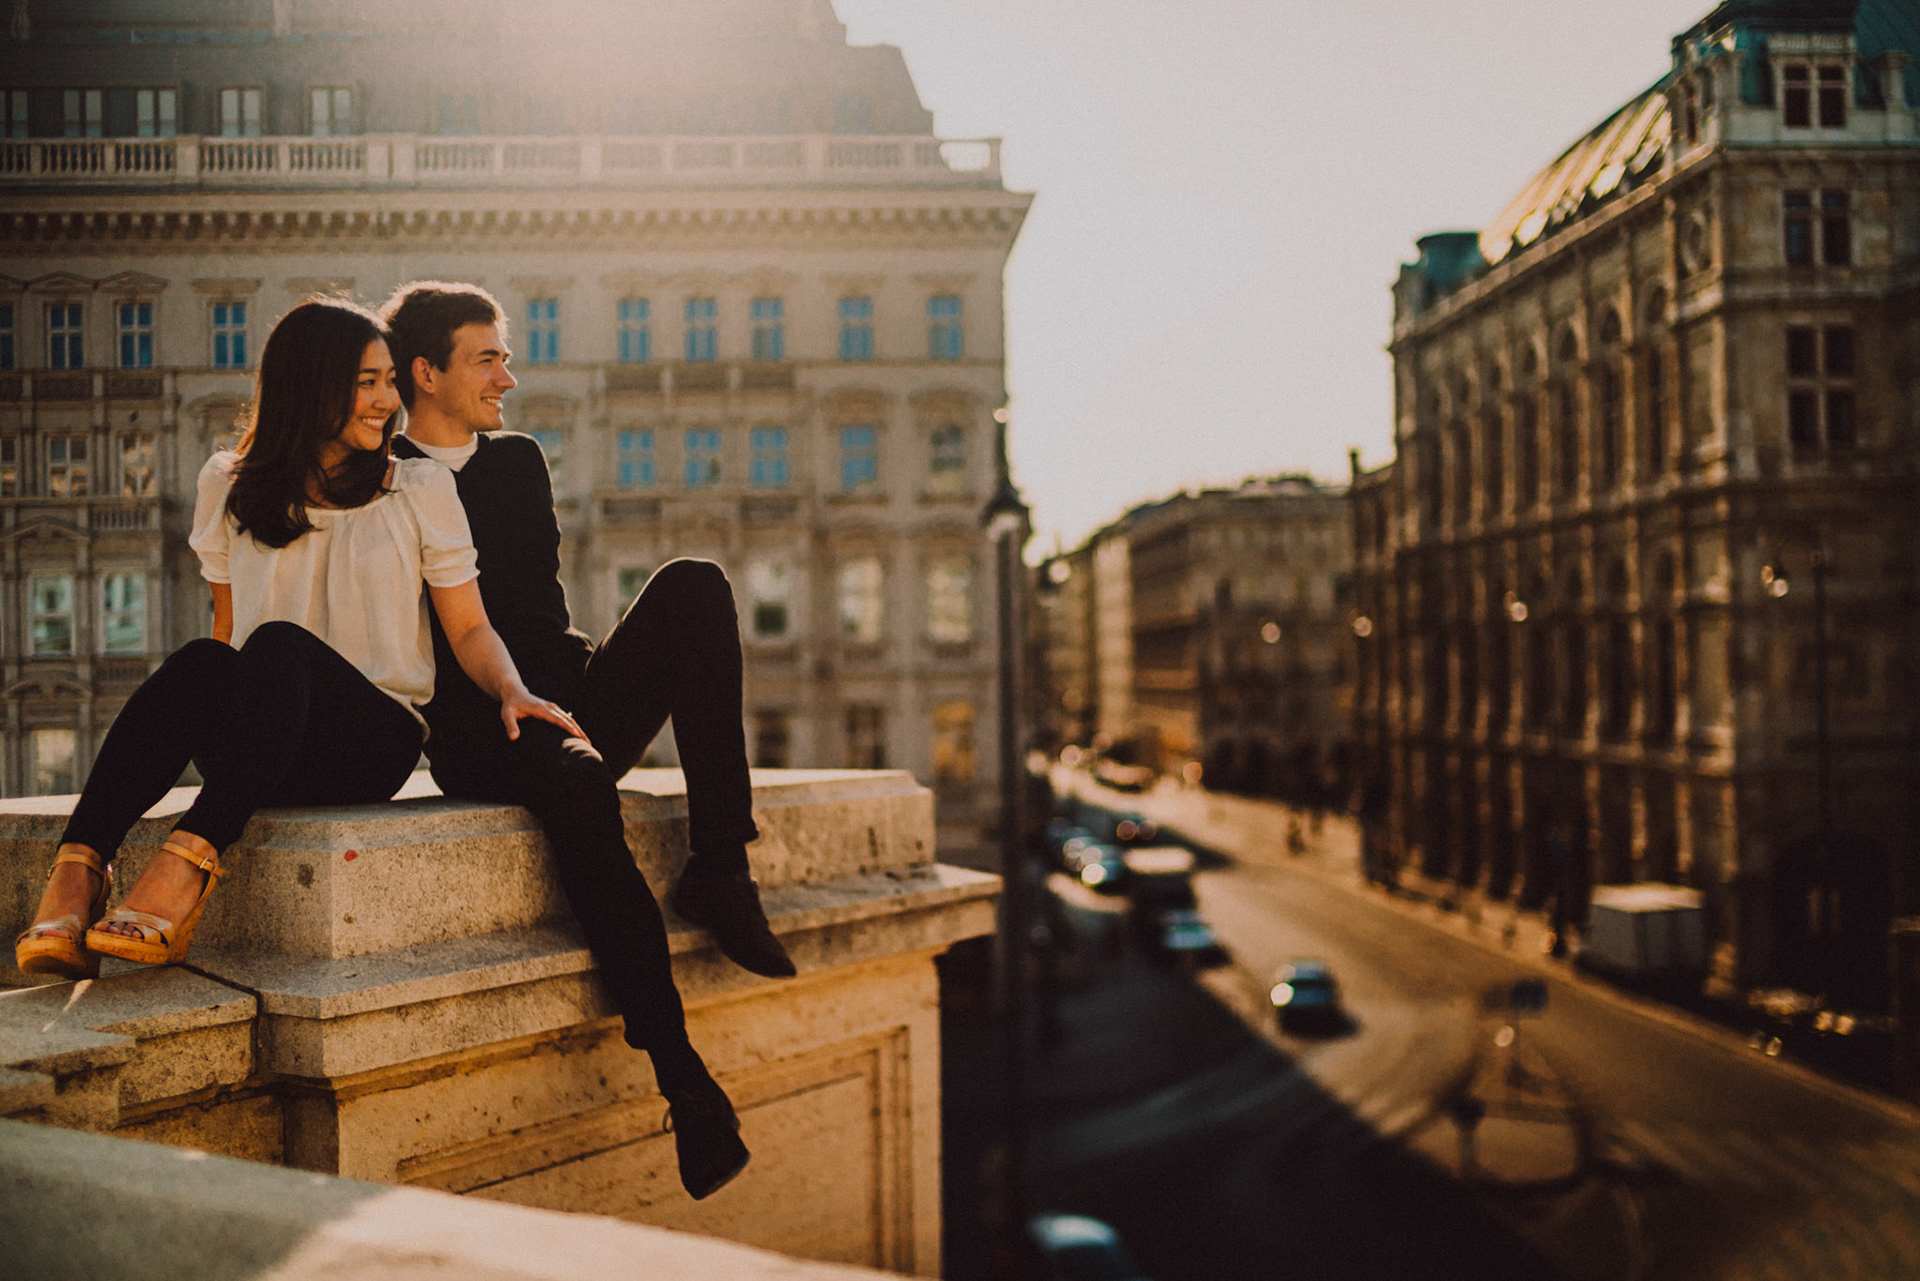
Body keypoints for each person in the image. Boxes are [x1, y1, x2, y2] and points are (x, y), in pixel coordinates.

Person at [13, 297, 576, 980]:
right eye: (365, 382)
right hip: (268, 737)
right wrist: (214, 707)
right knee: (204, 659)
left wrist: (513, 689)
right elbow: (225, 634)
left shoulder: (419, 486)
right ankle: (80, 868)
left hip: (370, 742)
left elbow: (468, 626)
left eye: (389, 381)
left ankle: (185, 863)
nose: (384, 400)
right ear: (308, 386)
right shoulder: (227, 483)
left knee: (276, 642)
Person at [377, 281, 786, 1202]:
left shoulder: (518, 461)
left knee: (694, 582)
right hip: (482, 726)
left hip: (568, 695)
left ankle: (722, 864)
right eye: (489, 359)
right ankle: (683, 1076)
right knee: (576, 787)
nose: (509, 378)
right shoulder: (383, 481)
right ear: (425, 372)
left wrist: (575, 694)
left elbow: (535, 609)